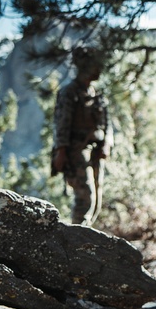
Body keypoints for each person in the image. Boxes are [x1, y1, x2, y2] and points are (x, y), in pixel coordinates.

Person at [51, 46, 113, 225]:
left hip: (95, 151)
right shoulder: (69, 93)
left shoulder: (97, 95)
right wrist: (61, 152)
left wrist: (106, 144)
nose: (99, 69)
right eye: (95, 65)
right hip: (76, 151)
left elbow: (107, 124)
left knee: (96, 199)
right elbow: (61, 124)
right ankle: (76, 244)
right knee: (86, 197)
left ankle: (84, 240)